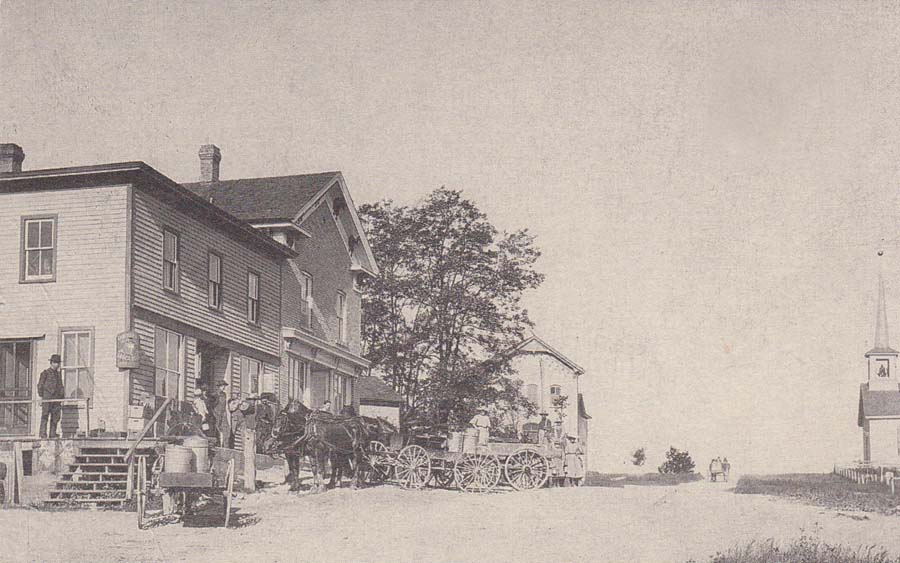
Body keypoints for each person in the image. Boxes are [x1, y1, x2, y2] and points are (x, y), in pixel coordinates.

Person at [38, 354, 64, 438]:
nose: (57, 365)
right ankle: (43, 434)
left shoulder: (58, 374)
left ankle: (52, 433)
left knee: (55, 417)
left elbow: (60, 386)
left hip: (56, 399)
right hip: (47, 398)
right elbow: (40, 386)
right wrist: (41, 397)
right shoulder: (45, 373)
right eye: (55, 362)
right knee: (45, 415)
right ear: (51, 363)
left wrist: (61, 397)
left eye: (58, 363)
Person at [212, 380, 232, 448]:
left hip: (223, 414)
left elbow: (224, 405)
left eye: (224, 386)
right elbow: (211, 405)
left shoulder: (224, 394)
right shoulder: (214, 395)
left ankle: (226, 446)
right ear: (219, 386)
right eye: (222, 386)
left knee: (226, 430)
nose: (224, 387)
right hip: (216, 414)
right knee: (216, 430)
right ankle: (216, 446)